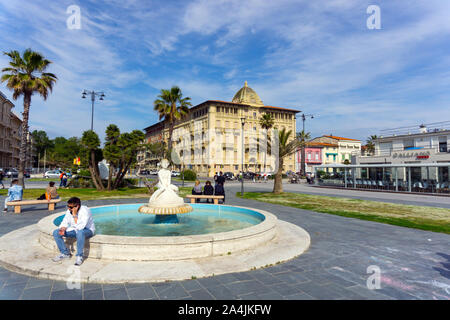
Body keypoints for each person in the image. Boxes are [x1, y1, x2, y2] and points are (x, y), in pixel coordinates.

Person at [52, 197, 95, 266]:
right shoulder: (69, 211)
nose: (69, 208)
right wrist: (63, 228)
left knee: (80, 232)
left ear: (77, 206)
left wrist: (74, 215)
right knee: (56, 232)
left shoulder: (85, 211)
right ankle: (65, 253)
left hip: (87, 230)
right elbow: (65, 221)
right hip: (74, 230)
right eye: (68, 206)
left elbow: (80, 227)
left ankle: (79, 256)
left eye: (70, 207)